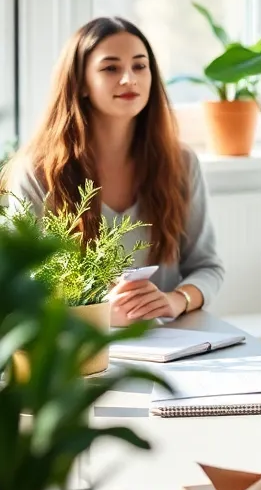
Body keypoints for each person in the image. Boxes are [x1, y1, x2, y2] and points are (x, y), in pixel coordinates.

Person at [1, 16, 224, 325]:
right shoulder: (37, 172)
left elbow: (207, 267)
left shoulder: (182, 163)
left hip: (170, 341)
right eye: (110, 68)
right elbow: (20, 288)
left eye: (140, 66)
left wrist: (175, 300)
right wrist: (98, 314)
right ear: (80, 82)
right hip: (74, 344)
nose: (129, 79)